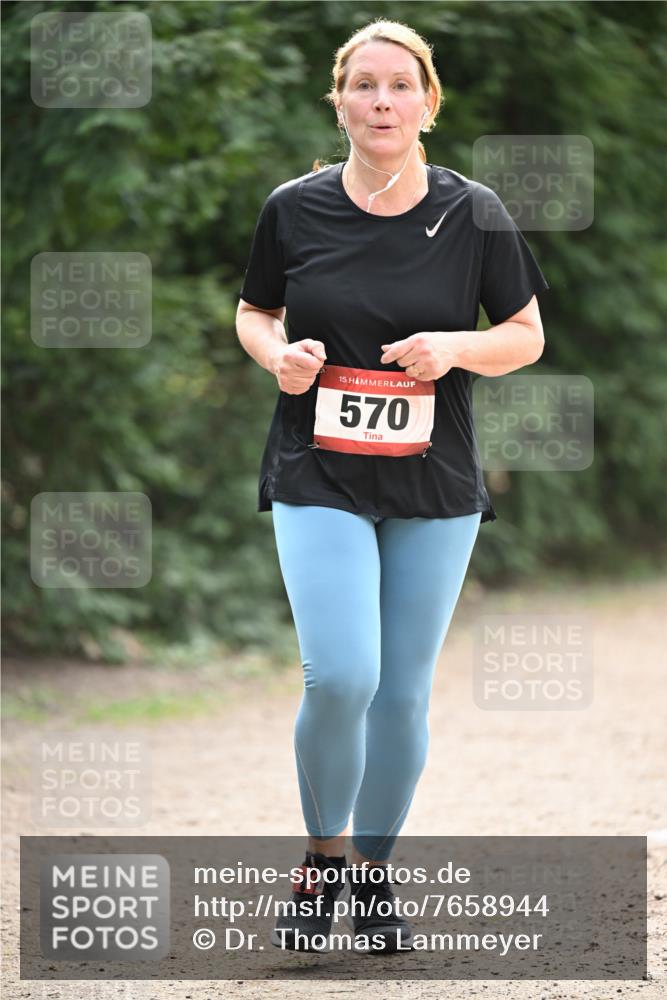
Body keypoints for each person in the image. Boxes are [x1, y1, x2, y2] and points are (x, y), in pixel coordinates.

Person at [235, 18, 549, 954]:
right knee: (342, 677)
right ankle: (322, 857)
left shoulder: (474, 211)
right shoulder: (292, 207)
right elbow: (254, 312)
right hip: (316, 468)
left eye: (399, 86)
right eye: (363, 85)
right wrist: (276, 356)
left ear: (428, 103)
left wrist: (454, 346)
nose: (381, 101)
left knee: (402, 695)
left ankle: (371, 874)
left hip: (434, 476)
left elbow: (526, 334)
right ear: (338, 100)